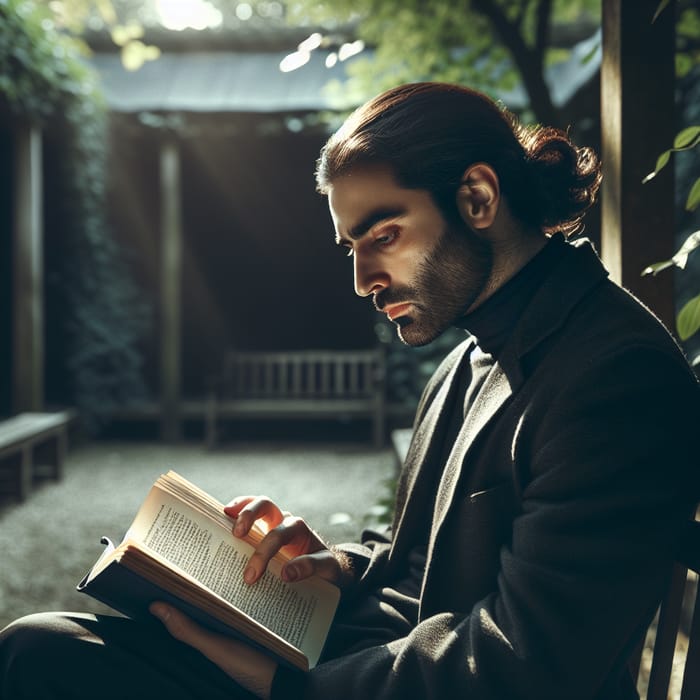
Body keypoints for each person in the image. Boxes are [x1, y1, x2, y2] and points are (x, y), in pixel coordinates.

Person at [2, 82, 699, 700]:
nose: (363, 277)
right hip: (376, 657)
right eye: (350, 247)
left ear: (478, 198)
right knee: (48, 642)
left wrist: (276, 684)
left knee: (45, 660)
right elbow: (417, 561)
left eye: (384, 235)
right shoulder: (476, 356)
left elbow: (526, 670)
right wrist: (329, 566)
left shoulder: (614, 377)